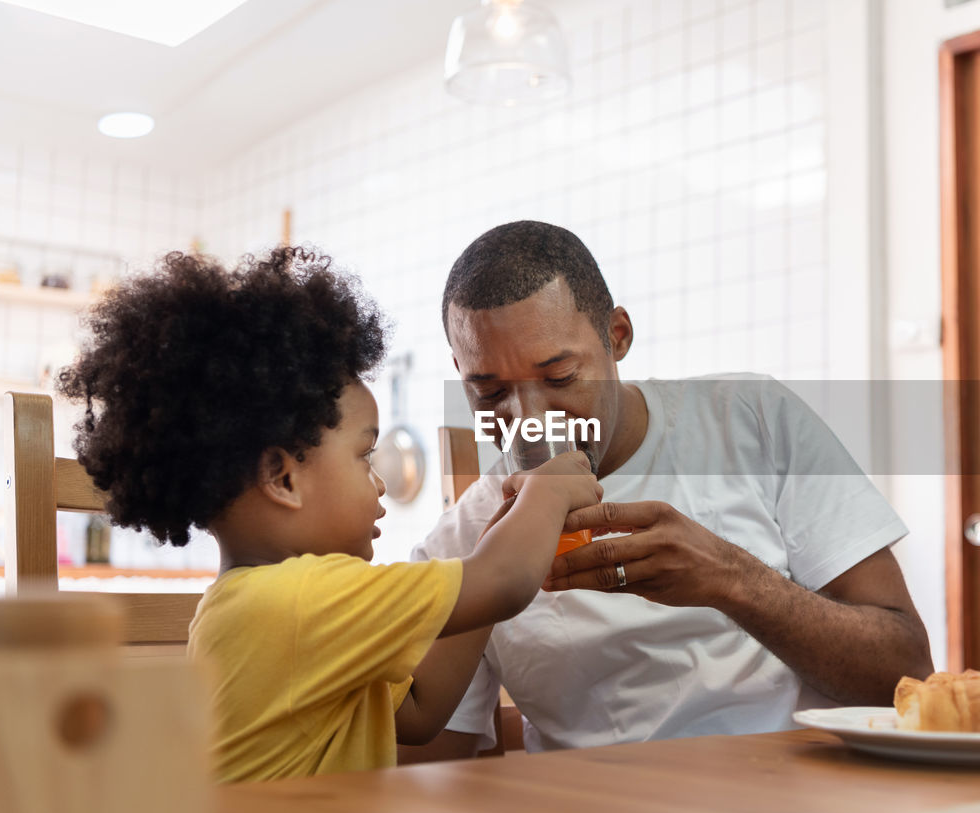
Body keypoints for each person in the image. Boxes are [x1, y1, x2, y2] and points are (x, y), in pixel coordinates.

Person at [56, 246, 601, 781]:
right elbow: (503, 582)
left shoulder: (271, 607)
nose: (381, 481)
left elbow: (419, 712)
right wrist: (546, 492)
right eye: (365, 457)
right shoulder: (297, 601)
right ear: (282, 478)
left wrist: (501, 532)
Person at [409, 221, 933, 757]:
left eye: (561, 377)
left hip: (792, 808)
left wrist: (730, 580)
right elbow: (424, 765)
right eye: (490, 391)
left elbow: (903, 674)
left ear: (617, 336)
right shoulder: (462, 545)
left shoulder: (750, 418)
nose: (530, 420)